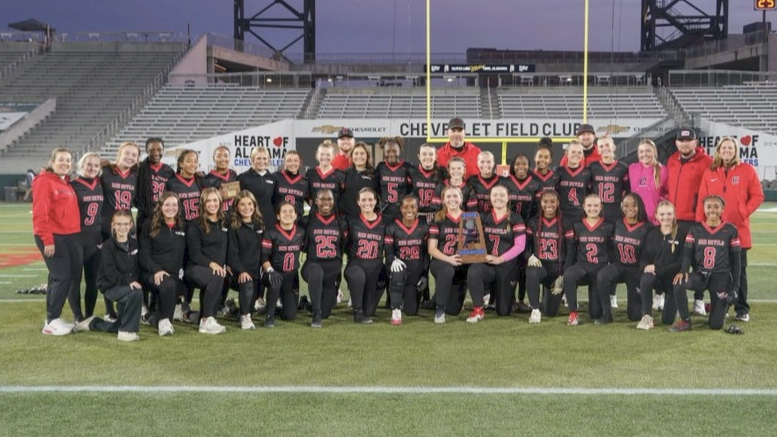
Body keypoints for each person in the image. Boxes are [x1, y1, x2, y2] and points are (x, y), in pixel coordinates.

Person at [696, 137, 764, 322]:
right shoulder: (710, 171)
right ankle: (722, 306)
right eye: (723, 148)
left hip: (738, 230)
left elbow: (758, 195)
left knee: (739, 271)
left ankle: (742, 309)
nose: (727, 151)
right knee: (720, 272)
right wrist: (699, 225)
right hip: (715, 231)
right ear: (718, 150)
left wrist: (744, 212)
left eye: (730, 148)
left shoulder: (747, 170)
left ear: (735, 150)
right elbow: (702, 198)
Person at [670, 195, 741, 332]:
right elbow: (687, 253)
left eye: (716, 207)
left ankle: (718, 305)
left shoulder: (730, 230)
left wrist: (734, 288)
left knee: (715, 325)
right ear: (703, 209)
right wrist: (683, 270)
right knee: (678, 282)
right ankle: (685, 321)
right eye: (709, 207)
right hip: (700, 275)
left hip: (721, 277)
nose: (712, 210)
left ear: (722, 210)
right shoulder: (695, 229)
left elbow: (736, 262)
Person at [33, 148, 82, 336]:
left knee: (57, 277)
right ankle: (52, 321)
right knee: (62, 276)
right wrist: (48, 240)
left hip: (67, 236)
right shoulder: (44, 181)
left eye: (68, 160)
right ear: (52, 161)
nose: (65, 163)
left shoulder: (64, 182)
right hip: (53, 236)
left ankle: (52, 318)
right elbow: (40, 213)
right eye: (61, 160)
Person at [74, 210, 143, 341]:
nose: (122, 227)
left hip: (126, 285)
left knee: (117, 324)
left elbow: (137, 267)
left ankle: (92, 323)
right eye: (119, 224)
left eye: (126, 224)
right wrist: (129, 282)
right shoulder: (107, 246)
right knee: (136, 292)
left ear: (131, 225)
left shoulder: (135, 244)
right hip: (110, 287)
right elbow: (111, 274)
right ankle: (127, 332)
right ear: (113, 226)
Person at [666, 127, 713, 316]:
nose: (684, 144)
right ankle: (675, 300)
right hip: (675, 221)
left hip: (696, 219)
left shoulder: (707, 162)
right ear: (676, 142)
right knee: (675, 261)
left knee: (699, 262)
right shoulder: (671, 160)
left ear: (695, 142)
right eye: (681, 140)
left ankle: (699, 300)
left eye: (688, 140)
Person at [466, 185, 526, 321]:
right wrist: (479, 253)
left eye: (502, 195)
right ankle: (478, 309)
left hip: (506, 266)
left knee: (503, 311)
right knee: (474, 271)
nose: (498, 198)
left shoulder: (516, 218)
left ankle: (503, 295)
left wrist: (500, 259)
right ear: (490, 198)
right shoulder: (483, 217)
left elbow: (520, 246)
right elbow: (469, 235)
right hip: (488, 264)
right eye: (495, 195)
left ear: (508, 198)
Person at [595, 193, 651, 324]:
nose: (629, 208)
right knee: (602, 275)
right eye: (626, 205)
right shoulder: (618, 223)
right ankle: (607, 313)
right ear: (621, 206)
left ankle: (644, 305)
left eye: (634, 205)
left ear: (640, 206)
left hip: (636, 270)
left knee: (635, 315)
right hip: (619, 266)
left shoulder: (648, 228)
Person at [138, 192, 187, 336]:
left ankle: (149, 317)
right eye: (167, 204)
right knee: (169, 287)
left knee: (162, 315)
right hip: (153, 274)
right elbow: (143, 255)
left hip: (174, 276)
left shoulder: (182, 227)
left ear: (178, 207)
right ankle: (164, 321)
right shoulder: (149, 226)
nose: (170, 208)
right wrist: (156, 270)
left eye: (174, 205)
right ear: (160, 206)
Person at [562, 194, 614, 325]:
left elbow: (613, 251)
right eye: (589, 205)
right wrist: (565, 269)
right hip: (583, 266)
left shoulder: (609, 226)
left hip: (600, 268)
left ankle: (603, 307)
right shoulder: (577, 226)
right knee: (569, 274)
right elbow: (572, 250)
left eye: (596, 205)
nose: (592, 208)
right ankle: (573, 313)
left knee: (595, 313)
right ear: (583, 207)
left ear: (601, 207)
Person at [502, 153, 542, 313]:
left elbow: (538, 209)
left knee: (525, 265)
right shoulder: (505, 182)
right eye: (517, 164)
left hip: (527, 229)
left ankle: (521, 299)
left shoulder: (535, 184)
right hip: (508, 229)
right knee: (510, 265)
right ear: (512, 166)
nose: (521, 167)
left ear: (529, 166)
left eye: (524, 164)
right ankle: (509, 299)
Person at [185, 188, 229, 334]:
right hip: (195, 269)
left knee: (218, 274)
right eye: (208, 200)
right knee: (217, 274)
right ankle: (206, 321)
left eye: (215, 200)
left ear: (220, 202)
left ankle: (195, 316)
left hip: (216, 271)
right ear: (203, 203)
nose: (212, 204)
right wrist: (213, 264)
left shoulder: (225, 222)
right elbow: (194, 254)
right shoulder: (195, 225)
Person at [636, 200, 685, 330]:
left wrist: (657, 269)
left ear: (674, 215)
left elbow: (681, 263)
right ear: (656, 215)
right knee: (646, 278)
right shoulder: (651, 234)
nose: (665, 217)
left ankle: (675, 307)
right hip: (656, 277)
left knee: (667, 320)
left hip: (672, 280)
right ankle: (647, 316)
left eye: (669, 214)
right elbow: (643, 259)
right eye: (662, 214)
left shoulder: (681, 234)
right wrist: (646, 267)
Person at [68, 152, 104, 323]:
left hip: (95, 240)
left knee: (93, 281)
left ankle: (89, 315)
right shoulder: (72, 185)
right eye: (89, 164)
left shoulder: (100, 184)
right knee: (75, 280)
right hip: (76, 240)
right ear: (81, 164)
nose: (92, 168)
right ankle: (77, 316)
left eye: (96, 165)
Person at [300, 190, 344, 327]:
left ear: (333, 201)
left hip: (332, 269)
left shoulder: (340, 222)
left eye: (329, 199)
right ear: (316, 201)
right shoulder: (307, 220)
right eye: (322, 199)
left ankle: (307, 303)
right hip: (313, 264)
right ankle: (316, 314)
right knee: (316, 272)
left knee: (327, 312)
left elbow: (344, 246)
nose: (326, 202)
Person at [343, 188, 387, 324]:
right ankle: (357, 311)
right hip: (356, 264)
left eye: (370, 199)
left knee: (369, 311)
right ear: (358, 202)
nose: (367, 203)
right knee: (357, 275)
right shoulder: (351, 220)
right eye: (363, 200)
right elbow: (343, 243)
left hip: (375, 267)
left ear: (375, 201)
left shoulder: (384, 222)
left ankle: (364, 300)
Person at [385, 195, 429, 325]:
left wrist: (425, 275)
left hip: (415, 271)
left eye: (412, 207)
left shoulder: (423, 227)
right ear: (401, 208)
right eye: (405, 207)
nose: (409, 210)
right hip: (399, 268)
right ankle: (396, 310)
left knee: (411, 311)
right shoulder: (392, 227)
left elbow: (426, 254)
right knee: (397, 270)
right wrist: (393, 260)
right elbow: (388, 251)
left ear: (417, 208)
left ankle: (403, 297)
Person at [524, 190, 566, 324]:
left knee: (551, 312)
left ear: (558, 203)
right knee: (531, 270)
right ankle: (535, 309)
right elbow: (525, 247)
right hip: (540, 267)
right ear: (541, 203)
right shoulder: (533, 222)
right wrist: (529, 256)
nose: (549, 204)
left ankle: (545, 299)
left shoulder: (566, 222)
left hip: (557, 271)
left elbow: (571, 251)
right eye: (545, 201)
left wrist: (563, 276)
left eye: (552, 201)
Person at [428, 186, 469, 323]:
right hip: (441, 261)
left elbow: (475, 245)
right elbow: (432, 249)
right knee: (447, 269)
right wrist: (449, 259)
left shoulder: (470, 218)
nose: (452, 199)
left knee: (453, 310)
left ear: (461, 198)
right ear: (443, 200)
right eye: (449, 197)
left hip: (460, 264)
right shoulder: (438, 218)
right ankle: (439, 310)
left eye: (455, 196)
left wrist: (466, 257)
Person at [261, 202, 305, 327]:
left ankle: (278, 309)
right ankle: (269, 315)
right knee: (275, 282)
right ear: (278, 216)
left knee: (290, 316)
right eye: (284, 211)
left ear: (296, 215)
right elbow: (264, 257)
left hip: (291, 275)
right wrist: (270, 271)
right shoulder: (271, 233)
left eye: (291, 211)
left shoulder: (301, 232)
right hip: (274, 272)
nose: (288, 214)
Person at [227, 190, 265, 330]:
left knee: (250, 306)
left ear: (254, 206)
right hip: (238, 273)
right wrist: (241, 271)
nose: (246, 207)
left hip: (256, 274)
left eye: (249, 204)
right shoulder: (233, 227)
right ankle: (245, 318)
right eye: (242, 204)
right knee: (246, 310)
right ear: (236, 207)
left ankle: (231, 308)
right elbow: (232, 254)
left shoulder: (259, 225)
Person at [100, 142, 139, 241]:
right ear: (119, 154)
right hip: (106, 225)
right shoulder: (105, 171)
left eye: (134, 155)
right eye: (127, 153)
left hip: (127, 225)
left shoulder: (138, 175)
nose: (130, 157)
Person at [135, 137, 175, 233]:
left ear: (163, 150)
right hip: (145, 215)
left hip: (163, 214)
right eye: (152, 150)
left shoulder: (169, 170)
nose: (156, 153)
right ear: (146, 151)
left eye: (159, 150)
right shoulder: (140, 169)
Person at [588, 136, 629, 224]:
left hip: (615, 211)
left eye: (607, 145)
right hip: (597, 210)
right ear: (598, 150)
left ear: (613, 147)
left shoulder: (622, 167)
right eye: (601, 146)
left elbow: (628, 190)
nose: (605, 148)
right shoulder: (592, 167)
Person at [629, 139, 667, 225]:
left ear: (654, 152)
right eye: (641, 151)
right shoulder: (632, 169)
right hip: (636, 220)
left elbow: (670, 195)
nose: (644, 154)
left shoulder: (663, 171)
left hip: (656, 222)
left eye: (648, 151)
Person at [238, 147, 277, 229]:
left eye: (264, 158)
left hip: (269, 221)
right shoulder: (242, 177)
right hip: (248, 221)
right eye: (258, 158)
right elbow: (238, 201)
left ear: (269, 160)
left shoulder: (273, 178)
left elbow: (275, 202)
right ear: (252, 160)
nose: (262, 161)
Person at [376, 136, 411, 222]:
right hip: (385, 212)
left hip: (402, 213)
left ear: (400, 150)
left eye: (394, 151)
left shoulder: (407, 167)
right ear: (384, 152)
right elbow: (375, 187)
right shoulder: (381, 167)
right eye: (388, 151)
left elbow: (412, 189)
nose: (391, 154)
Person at [557, 140, 591, 227]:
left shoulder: (587, 173)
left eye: (579, 152)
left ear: (582, 155)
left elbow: (589, 194)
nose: (576, 154)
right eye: (573, 152)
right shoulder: (559, 171)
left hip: (579, 214)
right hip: (562, 213)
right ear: (566, 153)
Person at [340, 142, 378, 219]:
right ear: (352, 156)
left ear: (367, 156)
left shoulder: (375, 174)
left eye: (362, 153)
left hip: (365, 219)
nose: (359, 156)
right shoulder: (345, 173)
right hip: (347, 218)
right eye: (356, 153)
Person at [306, 141, 345, 216]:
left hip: (334, 217)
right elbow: (307, 196)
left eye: (328, 154)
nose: (325, 157)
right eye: (322, 154)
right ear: (317, 155)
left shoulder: (340, 174)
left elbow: (342, 198)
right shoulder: (311, 173)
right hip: (315, 216)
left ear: (333, 156)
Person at [408, 143, 442, 224]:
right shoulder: (411, 171)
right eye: (424, 154)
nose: (427, 157)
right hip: (416, 215)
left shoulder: (442, 172)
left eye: (431, 154)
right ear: (419, 156)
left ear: (436, 156)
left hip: (436, 215)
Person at [166, 149, 203, 223]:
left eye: (195, 161)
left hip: (198, 225)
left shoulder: (201, 180)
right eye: (189, 161)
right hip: (180, 224)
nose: (193, 164)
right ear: (181, 164)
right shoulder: (171, 183)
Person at [202, 145, 239, 213]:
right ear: (214, 158)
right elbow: (204, 203)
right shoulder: (207, 179)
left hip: (233, 218)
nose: (223, 159)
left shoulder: (233, 174)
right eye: (219, 156)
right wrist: (218, 195)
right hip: (218, 218)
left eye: (225, 156)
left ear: (230, 157)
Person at [273, 150, 308, 219]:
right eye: (289, 160)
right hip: (277, 221)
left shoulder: (305, 182)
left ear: (300, 163)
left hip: (297, 222)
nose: (292, 163)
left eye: (295, 161)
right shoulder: (275, 177)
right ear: (284, 162)